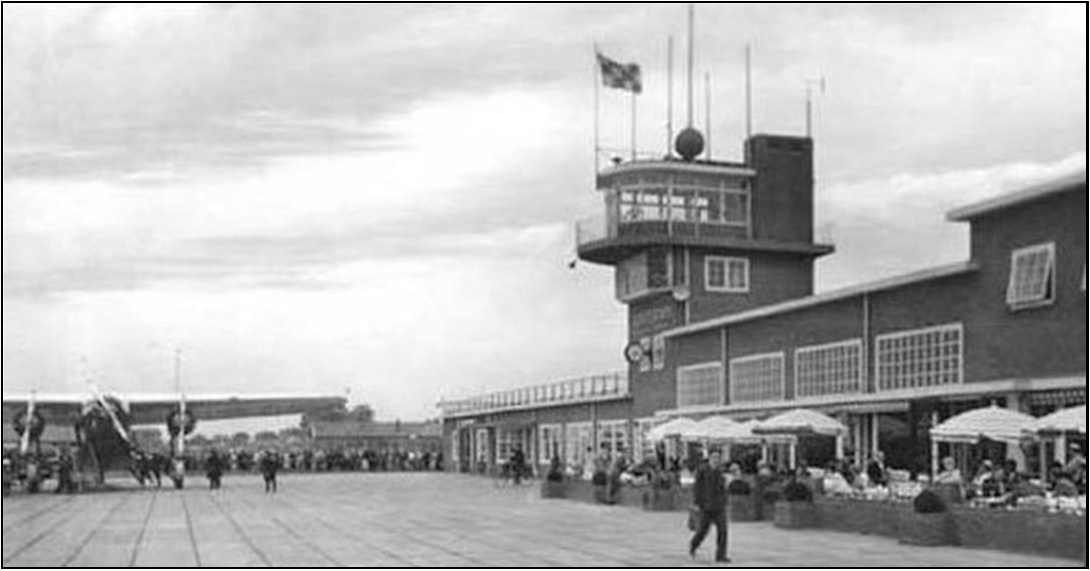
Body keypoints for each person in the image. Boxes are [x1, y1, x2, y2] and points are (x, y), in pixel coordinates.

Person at [690, 451, 730, 564]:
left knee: (723, 530)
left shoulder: (720, 471)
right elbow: (697, 487)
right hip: (706, 506)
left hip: (719, 506)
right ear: (710, 458)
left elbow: (723, 488)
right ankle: (694, 544)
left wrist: (725, 500)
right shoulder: (702, 470)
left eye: (718, 457)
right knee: (703, 530)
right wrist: (697, 503)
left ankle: (721, 555)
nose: (716, 459)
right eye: (714, 457)